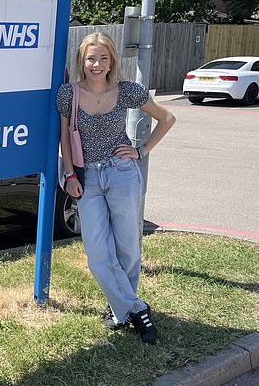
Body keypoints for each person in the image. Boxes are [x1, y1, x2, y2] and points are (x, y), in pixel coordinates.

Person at [56, 32, 175, 344]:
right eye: (91, 58)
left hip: (122, 174)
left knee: (127, 249)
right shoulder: (69, 94)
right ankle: (137, 308)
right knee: (97, 253)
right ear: (82, 61)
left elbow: (167, 117)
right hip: (88, 179)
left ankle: (120, 310)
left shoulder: (127, 91)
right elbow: (65, 139)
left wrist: (141, 150)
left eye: (103, 58)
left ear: (112, 61)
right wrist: (69, 175)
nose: (97, 64)